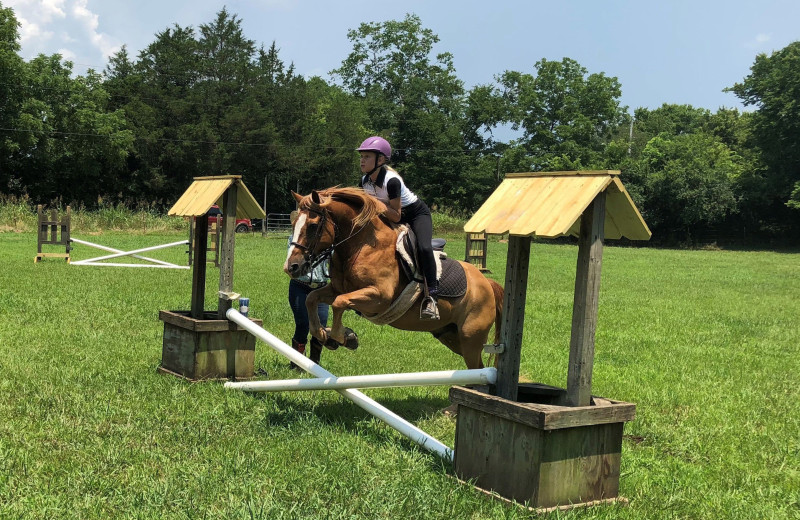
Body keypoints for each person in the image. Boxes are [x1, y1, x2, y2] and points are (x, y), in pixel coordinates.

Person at [356, 136, 439, 320]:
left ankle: (432, 296)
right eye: (361, 156)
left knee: (424, 247)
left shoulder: (392, 181)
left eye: (367, 156)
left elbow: (396, 215)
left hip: (415, 215)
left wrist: (374, 203)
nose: (362, 160)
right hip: (389, 215)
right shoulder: (364, 181)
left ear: (381, 160)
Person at [287, 210, 329, 369]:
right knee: (303, 324)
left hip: (321, 288)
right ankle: (297, 362)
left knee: (321, 327)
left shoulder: (324, 242)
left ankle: (314, 364)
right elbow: (290, 264)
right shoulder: (294, 240)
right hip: (300, 286)